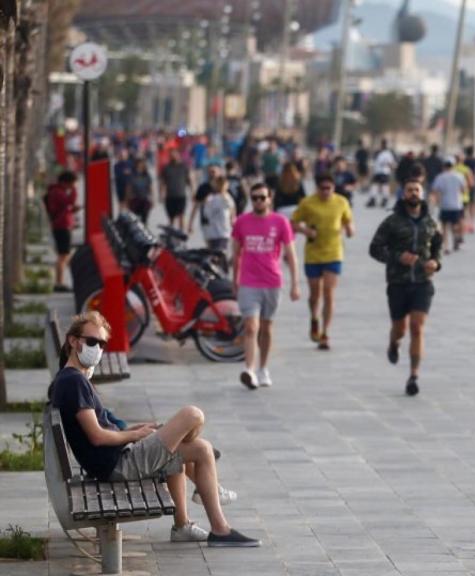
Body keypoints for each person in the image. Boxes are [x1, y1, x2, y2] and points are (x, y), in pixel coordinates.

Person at [49, 311, 260, 547]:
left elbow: (97, 428)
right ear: (73, 341)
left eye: (102, 343)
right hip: (117, 466)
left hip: (115, 458)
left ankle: (194, 527)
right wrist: (134, 435)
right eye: (92, 342)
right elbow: (97, 437)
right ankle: (208, 495)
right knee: (192, 415)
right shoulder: (73, 381)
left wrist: (132, 430)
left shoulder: (72, 379)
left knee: (200, 448)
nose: (97, 348)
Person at [369, 179, 443, 397]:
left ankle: (414, 376)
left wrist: (436, 264)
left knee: (417, 327)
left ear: (422, 194)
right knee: (400, 328)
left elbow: (438, 247)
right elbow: (374, 248)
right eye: (409, 190)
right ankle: (394, 343)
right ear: (403, 194)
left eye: (417, 190)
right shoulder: (391, 222)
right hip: (398, 283)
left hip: (423, 282)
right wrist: (397, 257)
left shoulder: (430, 222)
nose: (413, 193)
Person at [232, 182, 301, 389]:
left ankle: (263, 368)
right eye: (254, 198)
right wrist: (234, 279)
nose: (258, 201)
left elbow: (291, 255)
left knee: (267, 327)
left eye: (262, 197)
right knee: (251, 327)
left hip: (272, 281)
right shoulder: (242, 222)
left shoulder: (280, 222)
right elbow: (235, 255)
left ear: (270, 198)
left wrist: (295, 284)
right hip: (248, 282)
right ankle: (249, 370)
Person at [291, 174, 355, 350]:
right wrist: (306, 232)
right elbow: (293, 223)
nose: (326, 192)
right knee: (315, 294)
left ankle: (325, 333)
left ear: (334, 188)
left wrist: (350, 230)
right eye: (323, 188)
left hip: (334, 253)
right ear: (317, 188)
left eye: (329, 188)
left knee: (328, 292)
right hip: (313, 254)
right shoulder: (307, 203)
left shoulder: (341, 202)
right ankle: (314, 318)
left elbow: (348, 221)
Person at [44, 171, 80, 292]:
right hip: (62, 226)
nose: (72, 187)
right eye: (72, 184)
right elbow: (69, 202)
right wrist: (75, 190)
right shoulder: (58, 192)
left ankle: (60, 280)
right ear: (66, 182)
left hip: (62, 224)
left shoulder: (57, 191)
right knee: (63, 255)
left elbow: (65, 206)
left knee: (64, 255)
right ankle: (59, 283)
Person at [430, 157, 468, 254]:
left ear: (444, 165)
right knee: (455, 225)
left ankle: (446, 247)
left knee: (444, 227)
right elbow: (464, 190)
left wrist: (434, 203)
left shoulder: (440, 177)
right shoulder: (459, 176)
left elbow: (434, 191)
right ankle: (456, 238)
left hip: (445, 205)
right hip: (457, 205)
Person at [201, 176, 236, 253]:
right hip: (212, 233)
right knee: (213, 255)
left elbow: (232, 210)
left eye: (224, 185)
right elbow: (206, 215)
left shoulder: (227, 197)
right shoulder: (210, 198)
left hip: (224, 232)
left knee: (220, 254)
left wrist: (233, 222)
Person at [160, 149, 192, 230]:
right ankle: (172, 237)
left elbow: (190, 180)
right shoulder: (166, 168)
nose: (174, 157)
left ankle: (181, 235)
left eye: (175, 155)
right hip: (170, 196)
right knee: (171, 218)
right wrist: (161, 194)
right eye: (172, 155)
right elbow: (163, 182)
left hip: (181, 195)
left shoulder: (184, 167)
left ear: (179, 156)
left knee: (181, 215)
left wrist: (193, 191)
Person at [187, 164, 224, 235]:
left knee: (220, 244)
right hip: (206, 222)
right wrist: (190, 224)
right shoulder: (203, 187)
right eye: (210, 172)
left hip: (222, 222)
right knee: (211, 244)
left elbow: (231, 205)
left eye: (213, 171)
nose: (212, 174)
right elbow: (196, 206)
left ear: (220, 172)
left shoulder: (224, 187)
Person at [368, 140, 396, 208]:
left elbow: (391, 163)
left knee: (383, 186)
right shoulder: (380, 153)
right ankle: (374, 199)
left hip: (383, 172)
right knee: (376, 185)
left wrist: (390, 167)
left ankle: (384, 199)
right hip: (379, 171)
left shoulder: (387, 153)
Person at [126, 157, 154, 225]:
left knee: (144, 219)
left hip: (144, 199)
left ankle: (144, 230)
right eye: (139, 164)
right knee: (134, 220)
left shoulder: (147, 175)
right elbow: (128, 188)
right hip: (134, 200)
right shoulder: (132, 175)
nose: (140, 166)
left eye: (142, 164)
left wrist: (152, 198)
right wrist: (127, 200)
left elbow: (151, 188)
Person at [113, 148, 134, 212]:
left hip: (129, 187)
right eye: (121, 155)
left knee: (128, 203)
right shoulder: (116, 165)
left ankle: (129, 216)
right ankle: (121, 216)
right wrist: (125, 172)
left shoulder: (130, 163)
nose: (122, 157)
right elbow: (118, 175)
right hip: (120, 187)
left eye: (124, 155)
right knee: (121, 203)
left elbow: (132, 173)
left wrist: (126, 172)